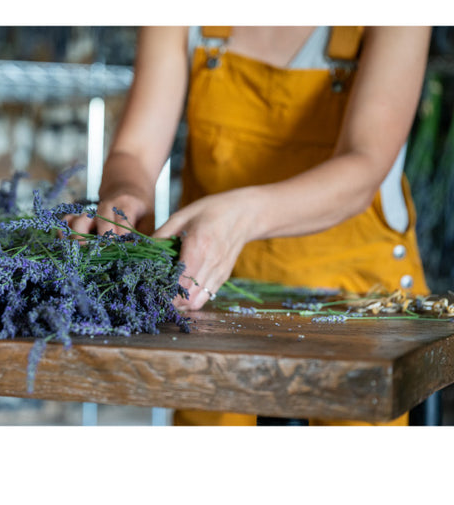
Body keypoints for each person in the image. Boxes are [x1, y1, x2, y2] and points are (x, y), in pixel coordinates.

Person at [68, 26, 432, 426]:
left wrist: (240, 218)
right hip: (214, 315)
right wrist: (123, 198)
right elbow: (133, 151)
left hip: (360, 316)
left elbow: (364, 168)